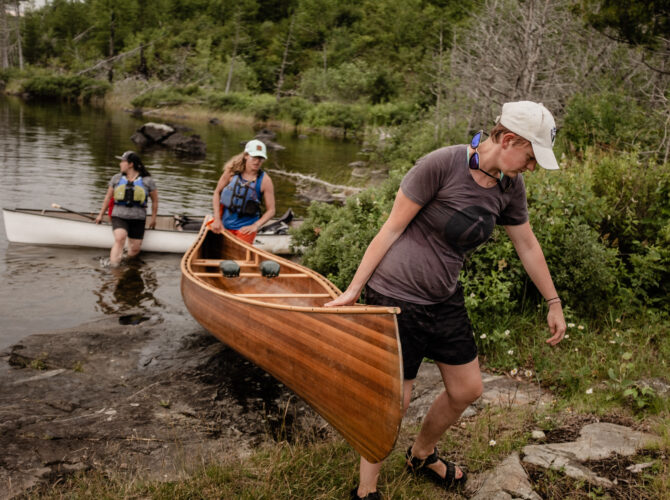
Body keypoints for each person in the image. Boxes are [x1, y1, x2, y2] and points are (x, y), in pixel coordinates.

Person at [325, 101, 567, 499]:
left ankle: (420, 455)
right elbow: (390, 230)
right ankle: (365, 492)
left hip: (443, 297)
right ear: (507, 139)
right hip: (396, 296)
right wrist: (353, 291)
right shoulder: (442, 164)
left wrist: (553, 301)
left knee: (467, 389)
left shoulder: (509, 186)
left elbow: (526, 245)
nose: (532, 167)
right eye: (530, 156)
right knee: (395, 403)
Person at [95, 151, 158, 267]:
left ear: (130, 164)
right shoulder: (116, 179)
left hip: (138, 218)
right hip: (119, 215)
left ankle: (126, 262)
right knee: (120, 237)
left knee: (134, 249)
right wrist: (100, 214)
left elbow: (155, 201)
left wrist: (153, 218)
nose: (120, 164)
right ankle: (114, 269)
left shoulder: (147, 181)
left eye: (122, 161)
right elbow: (108, 197)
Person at [210, 139, 276, 244]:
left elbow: (271, 210)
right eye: (254, 157)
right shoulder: (231, 172)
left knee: (238, 256)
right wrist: (217, 219)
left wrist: (255, 226)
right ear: (246, 155)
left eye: (261, 158)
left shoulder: (265, 181)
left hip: (245, 229)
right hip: (223, 223)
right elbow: (217, 192)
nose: (257, 161)